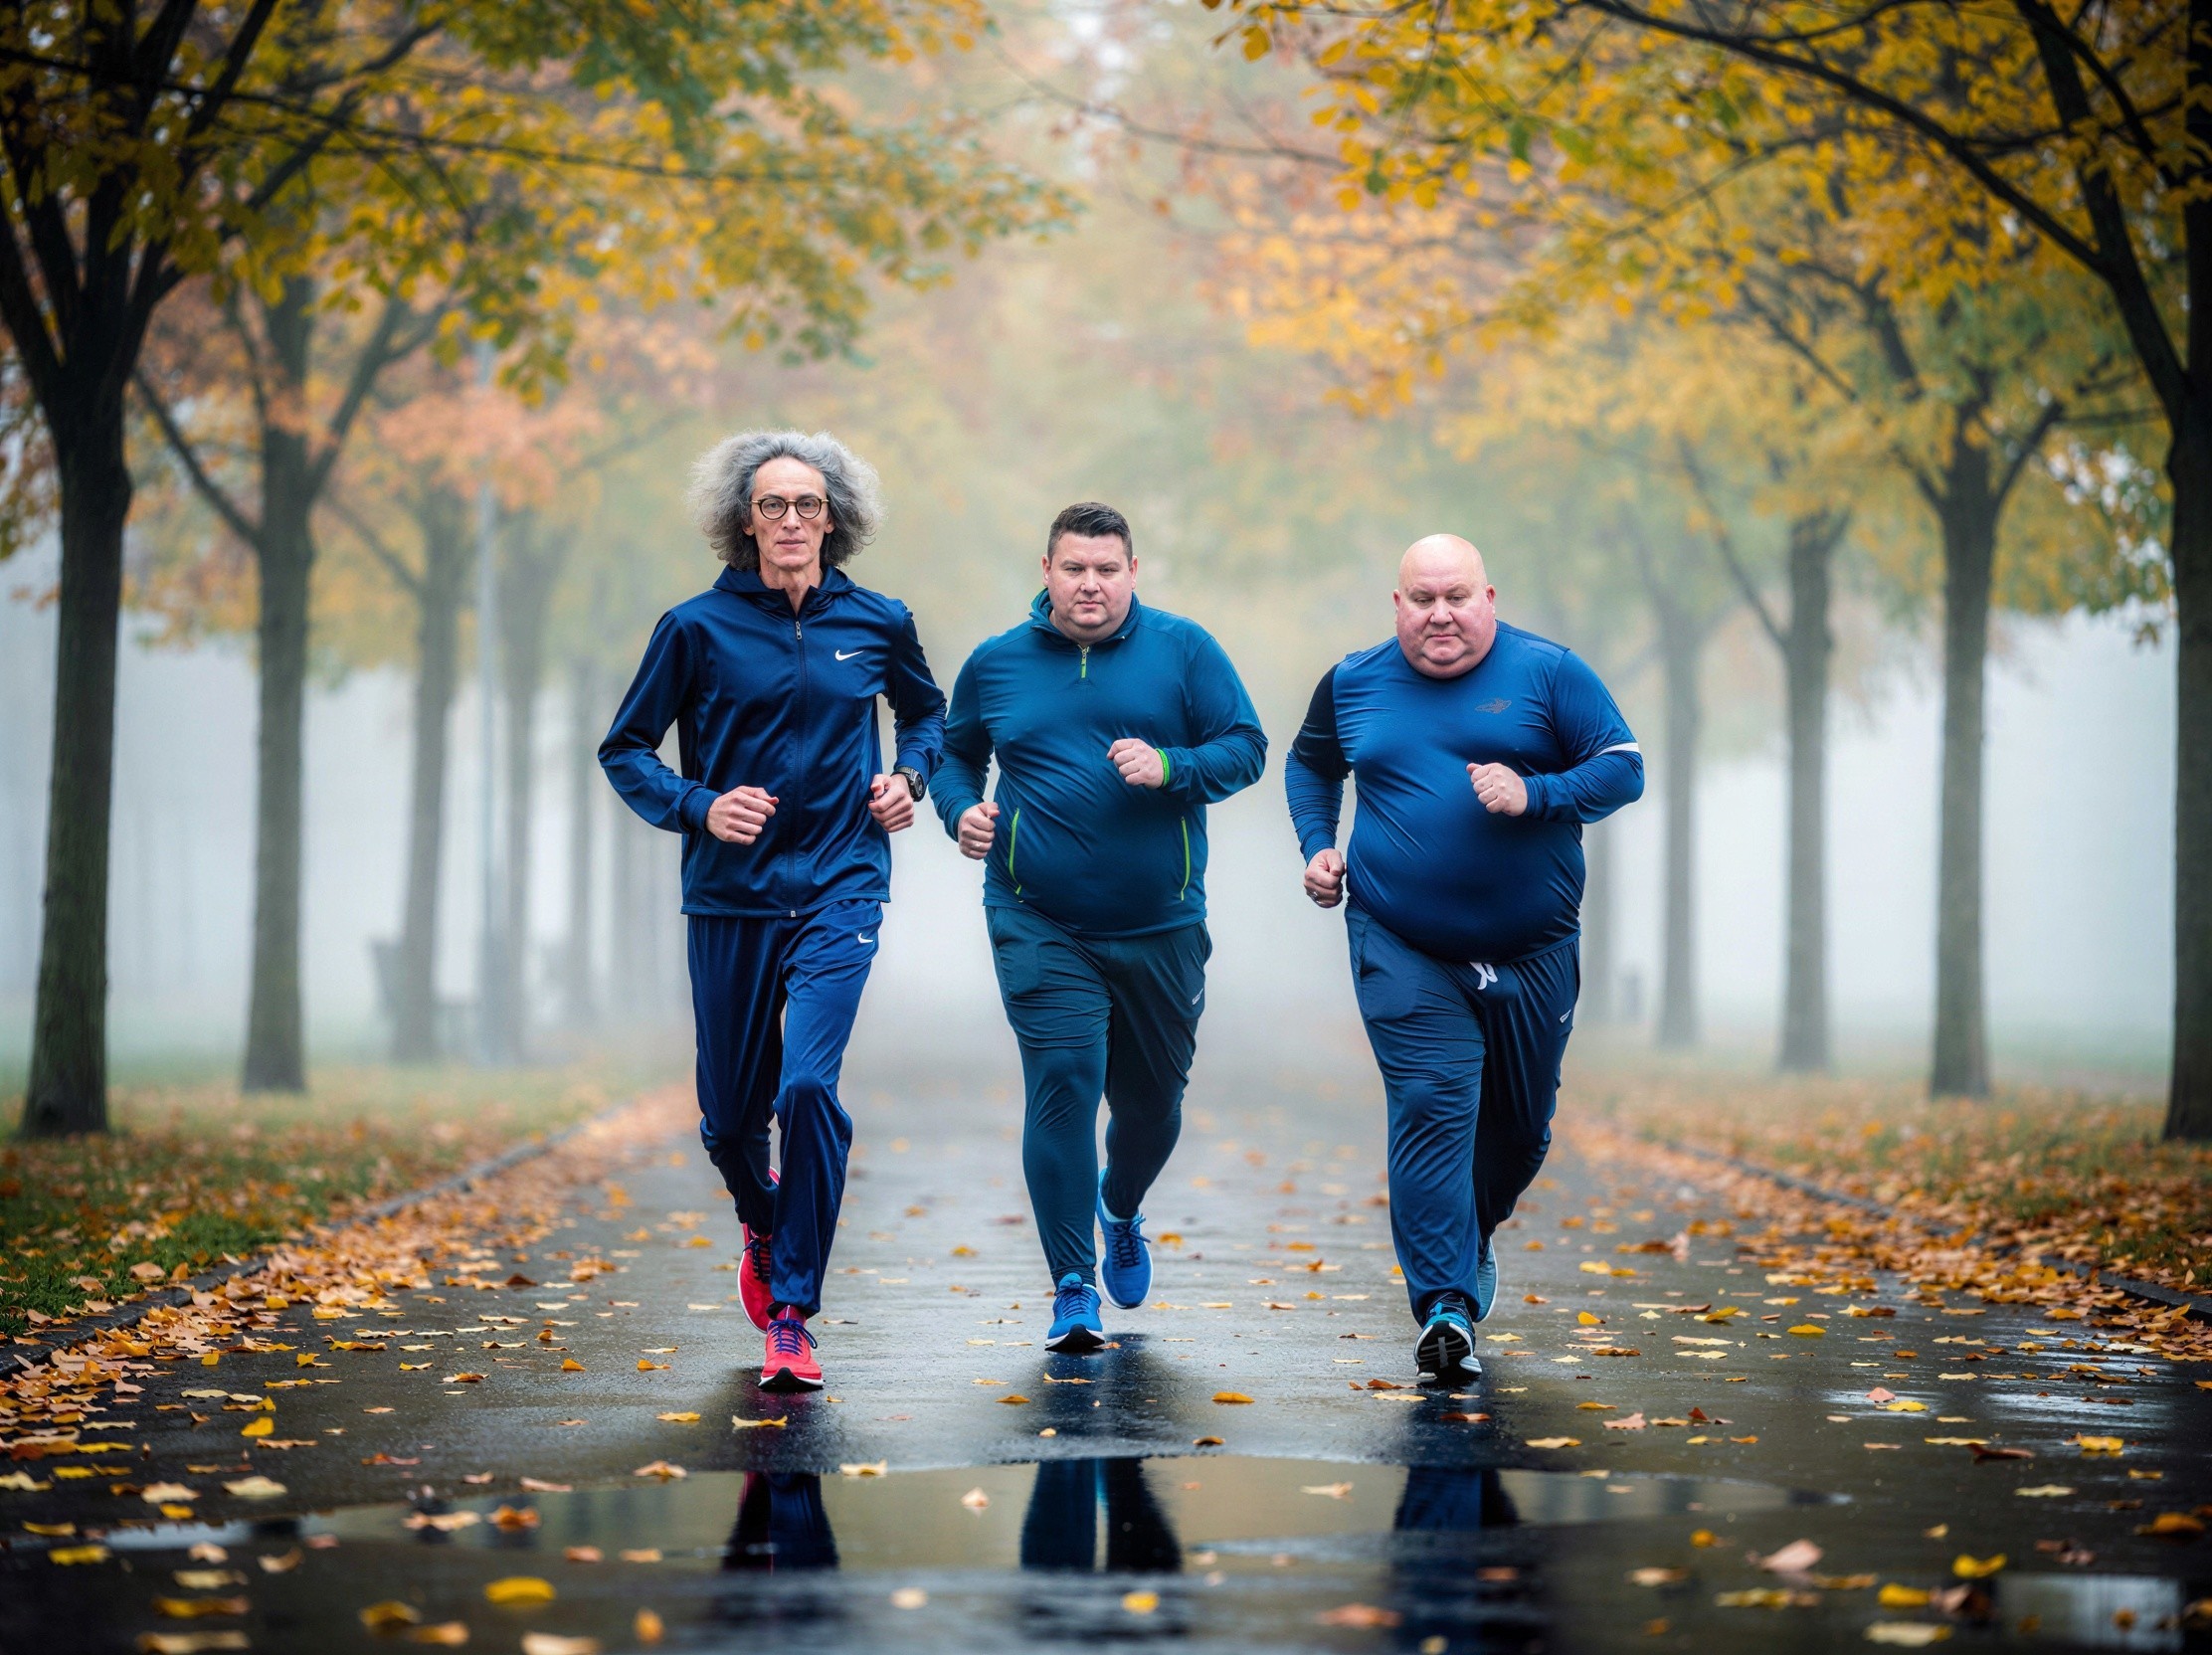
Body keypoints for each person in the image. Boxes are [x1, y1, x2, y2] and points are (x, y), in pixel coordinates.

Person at [601, 431, 945, 1392]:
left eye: (806, 505)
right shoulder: (694, 630)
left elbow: (926, 714)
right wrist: (700, 805)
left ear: (834, 517)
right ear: (741, 522)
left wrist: (908, 778)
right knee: (727, 1122)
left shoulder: (879, 620)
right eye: (771, 507)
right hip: (731, 896)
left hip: (844, 881)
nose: (791, 522)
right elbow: (625, 750)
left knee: (807, 1090)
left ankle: (791, 1312)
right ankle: (762, 1217)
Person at [1284, 534, 1642, 1378]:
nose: (1439, 614)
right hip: (1402, 939)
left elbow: (1624, 769)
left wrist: (1538, 794)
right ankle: (1444, 1305)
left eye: (1456, 596)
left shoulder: (1550, 674)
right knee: (1432, 1106)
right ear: (1397, 605)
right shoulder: (1354, 681)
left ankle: (1468, 1231)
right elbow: (1310, 764)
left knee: (1520, 1135)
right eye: (1420, 598)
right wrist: (1317, 845)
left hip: (1535, 948)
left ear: (1490, 597)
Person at [934, 503, 1266, 1352]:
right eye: (1074, 568)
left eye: (1107, 569)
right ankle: (1072, 1286)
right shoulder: (998, 663)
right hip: (1037, 917)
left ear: (1132, 571)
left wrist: (1172, 766)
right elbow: (955, 751)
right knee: (1065, 1081)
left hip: (1161, 923)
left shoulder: (1185, 651)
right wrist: (961, 811)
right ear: (1046, 569)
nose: (1091, 584)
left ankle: (1119, 1206)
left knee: (1152, 1108)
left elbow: (1247, 746)